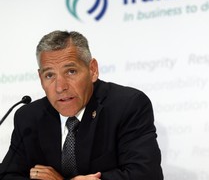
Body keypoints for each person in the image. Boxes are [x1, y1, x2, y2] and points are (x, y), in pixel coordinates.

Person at [0, 30, 163, 180]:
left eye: (70, 71)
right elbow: (7, 175)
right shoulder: (29, 117)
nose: (60, 87)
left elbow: (147, 175)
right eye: (49, 75)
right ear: (40, 78)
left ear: (92, 70)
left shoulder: (127, 105)